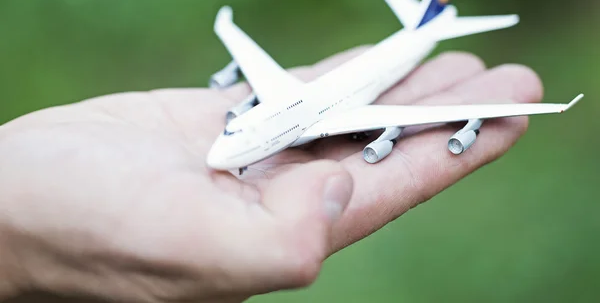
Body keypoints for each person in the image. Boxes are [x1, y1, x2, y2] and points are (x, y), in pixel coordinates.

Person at [0, 47, 542, 302]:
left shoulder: (334, 119)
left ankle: (431, 23)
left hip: (378, 76)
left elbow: (407, 120)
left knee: (411, 118)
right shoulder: (271, 115)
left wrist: (389, 136)